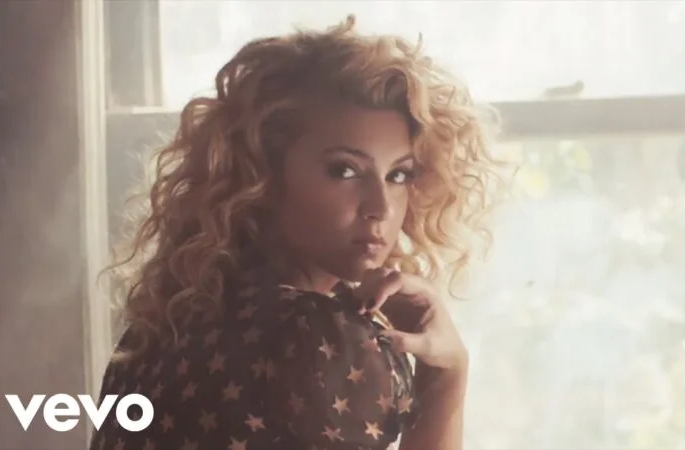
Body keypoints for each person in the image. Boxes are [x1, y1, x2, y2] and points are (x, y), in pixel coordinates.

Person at [90, 15, 504, 450]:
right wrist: (445, 378)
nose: (381, 207)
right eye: (344, 170)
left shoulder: (172, 321)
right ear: (263, 174)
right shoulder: (317, 340)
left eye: (398, 175)